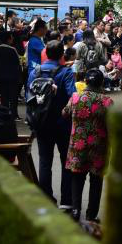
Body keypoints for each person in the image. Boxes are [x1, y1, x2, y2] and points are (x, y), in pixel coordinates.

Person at [63, 69, 113, 223]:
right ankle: (91, 214)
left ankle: (76, 211)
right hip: (99, 147)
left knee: (77, 178)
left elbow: (64, 113)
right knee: (96, 181)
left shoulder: (75, 97)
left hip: (77, 146)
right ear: (101, 83)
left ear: (86, 81)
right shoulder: (106, 101)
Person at [33, 40, 76, 210]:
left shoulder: (35, 71)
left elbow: (30, 94)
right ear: (61, 55)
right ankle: (66, 201)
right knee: (66, 160)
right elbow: (73, 96)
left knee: (44, 161)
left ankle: (46, 198)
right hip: (62, 122)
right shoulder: (66, 72)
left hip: (41, 122)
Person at [0, 30, 22, 120]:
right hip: (13, 78)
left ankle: (4, 115)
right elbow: (18, 64)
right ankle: (13, 115)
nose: (12, 39)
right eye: (11, 37)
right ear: (8, 39)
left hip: (1, 78)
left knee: (4, 98)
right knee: (13, 98)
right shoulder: (12, 50)